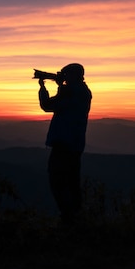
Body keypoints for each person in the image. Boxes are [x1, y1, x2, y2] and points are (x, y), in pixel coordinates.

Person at [38, 63, 92, 225]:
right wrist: (52, 86)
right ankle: (74, 219)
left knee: (59, 181)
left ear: (74, 75)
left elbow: (49, 106)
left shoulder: (76, 92)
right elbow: (50, 105)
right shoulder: (80, 91)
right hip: (72, 144)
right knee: (70, 182)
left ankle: (69, 219)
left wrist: (49, 87)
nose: (63, 77)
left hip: (65, 144)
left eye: (65, 74)